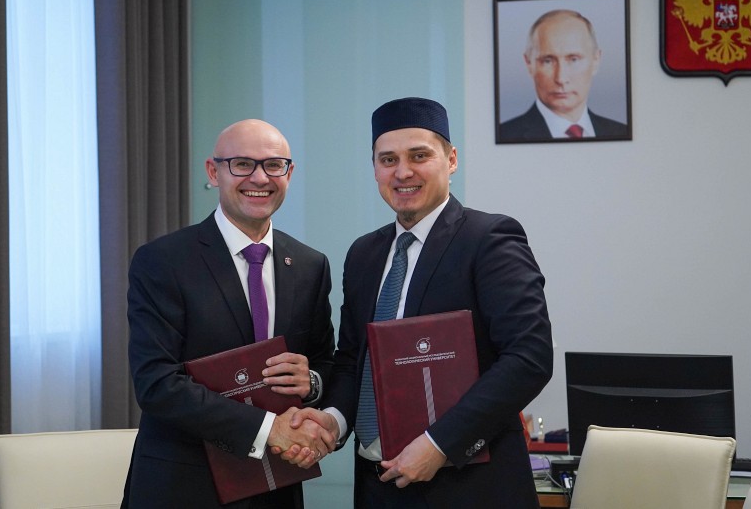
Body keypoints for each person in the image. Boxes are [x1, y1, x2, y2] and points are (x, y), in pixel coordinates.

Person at [282, 97, 554, 507]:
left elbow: (529, 357)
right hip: (378, 486)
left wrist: (440, 443)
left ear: (451, 159)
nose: (403, 172)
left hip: (470, 486)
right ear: (375, 168)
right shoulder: (364, 254)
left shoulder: (489, 240)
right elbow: (353, 360)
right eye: (388, 159)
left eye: (419, 156)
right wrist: (332, 420)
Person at [121, 119, 336, 509]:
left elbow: (324, 361)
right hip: (186, 486)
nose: (260, 178)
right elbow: (156, 384)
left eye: (274, 165)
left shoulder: (310, 265)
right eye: (242, 164)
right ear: (213, 171)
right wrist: (268, 429)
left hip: (278, 485)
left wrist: (313, 382)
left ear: (289, 173)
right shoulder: (163, 261)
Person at [498, 9, 628, 141]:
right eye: (548, 61)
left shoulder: (621, 132)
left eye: (574, 59)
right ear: (529, 64)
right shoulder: (505, 136)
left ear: (596, 61)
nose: (561, 78)